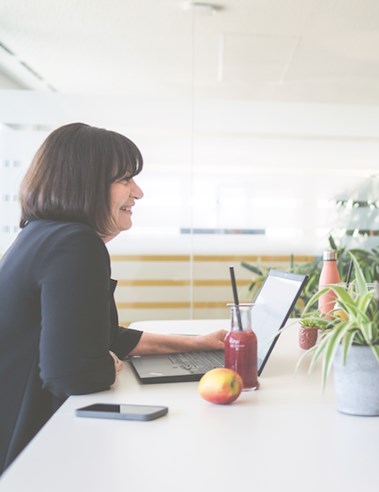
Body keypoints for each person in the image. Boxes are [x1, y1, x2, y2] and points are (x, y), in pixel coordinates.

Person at [0, 123, 225, 474]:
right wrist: (104, 363)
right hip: (28, 456)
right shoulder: (75, 244)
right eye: (125, 180)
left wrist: (195, 343)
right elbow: (75, 375)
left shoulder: (42, 235)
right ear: (85, 183)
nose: (138, 193)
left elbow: (105, 335)